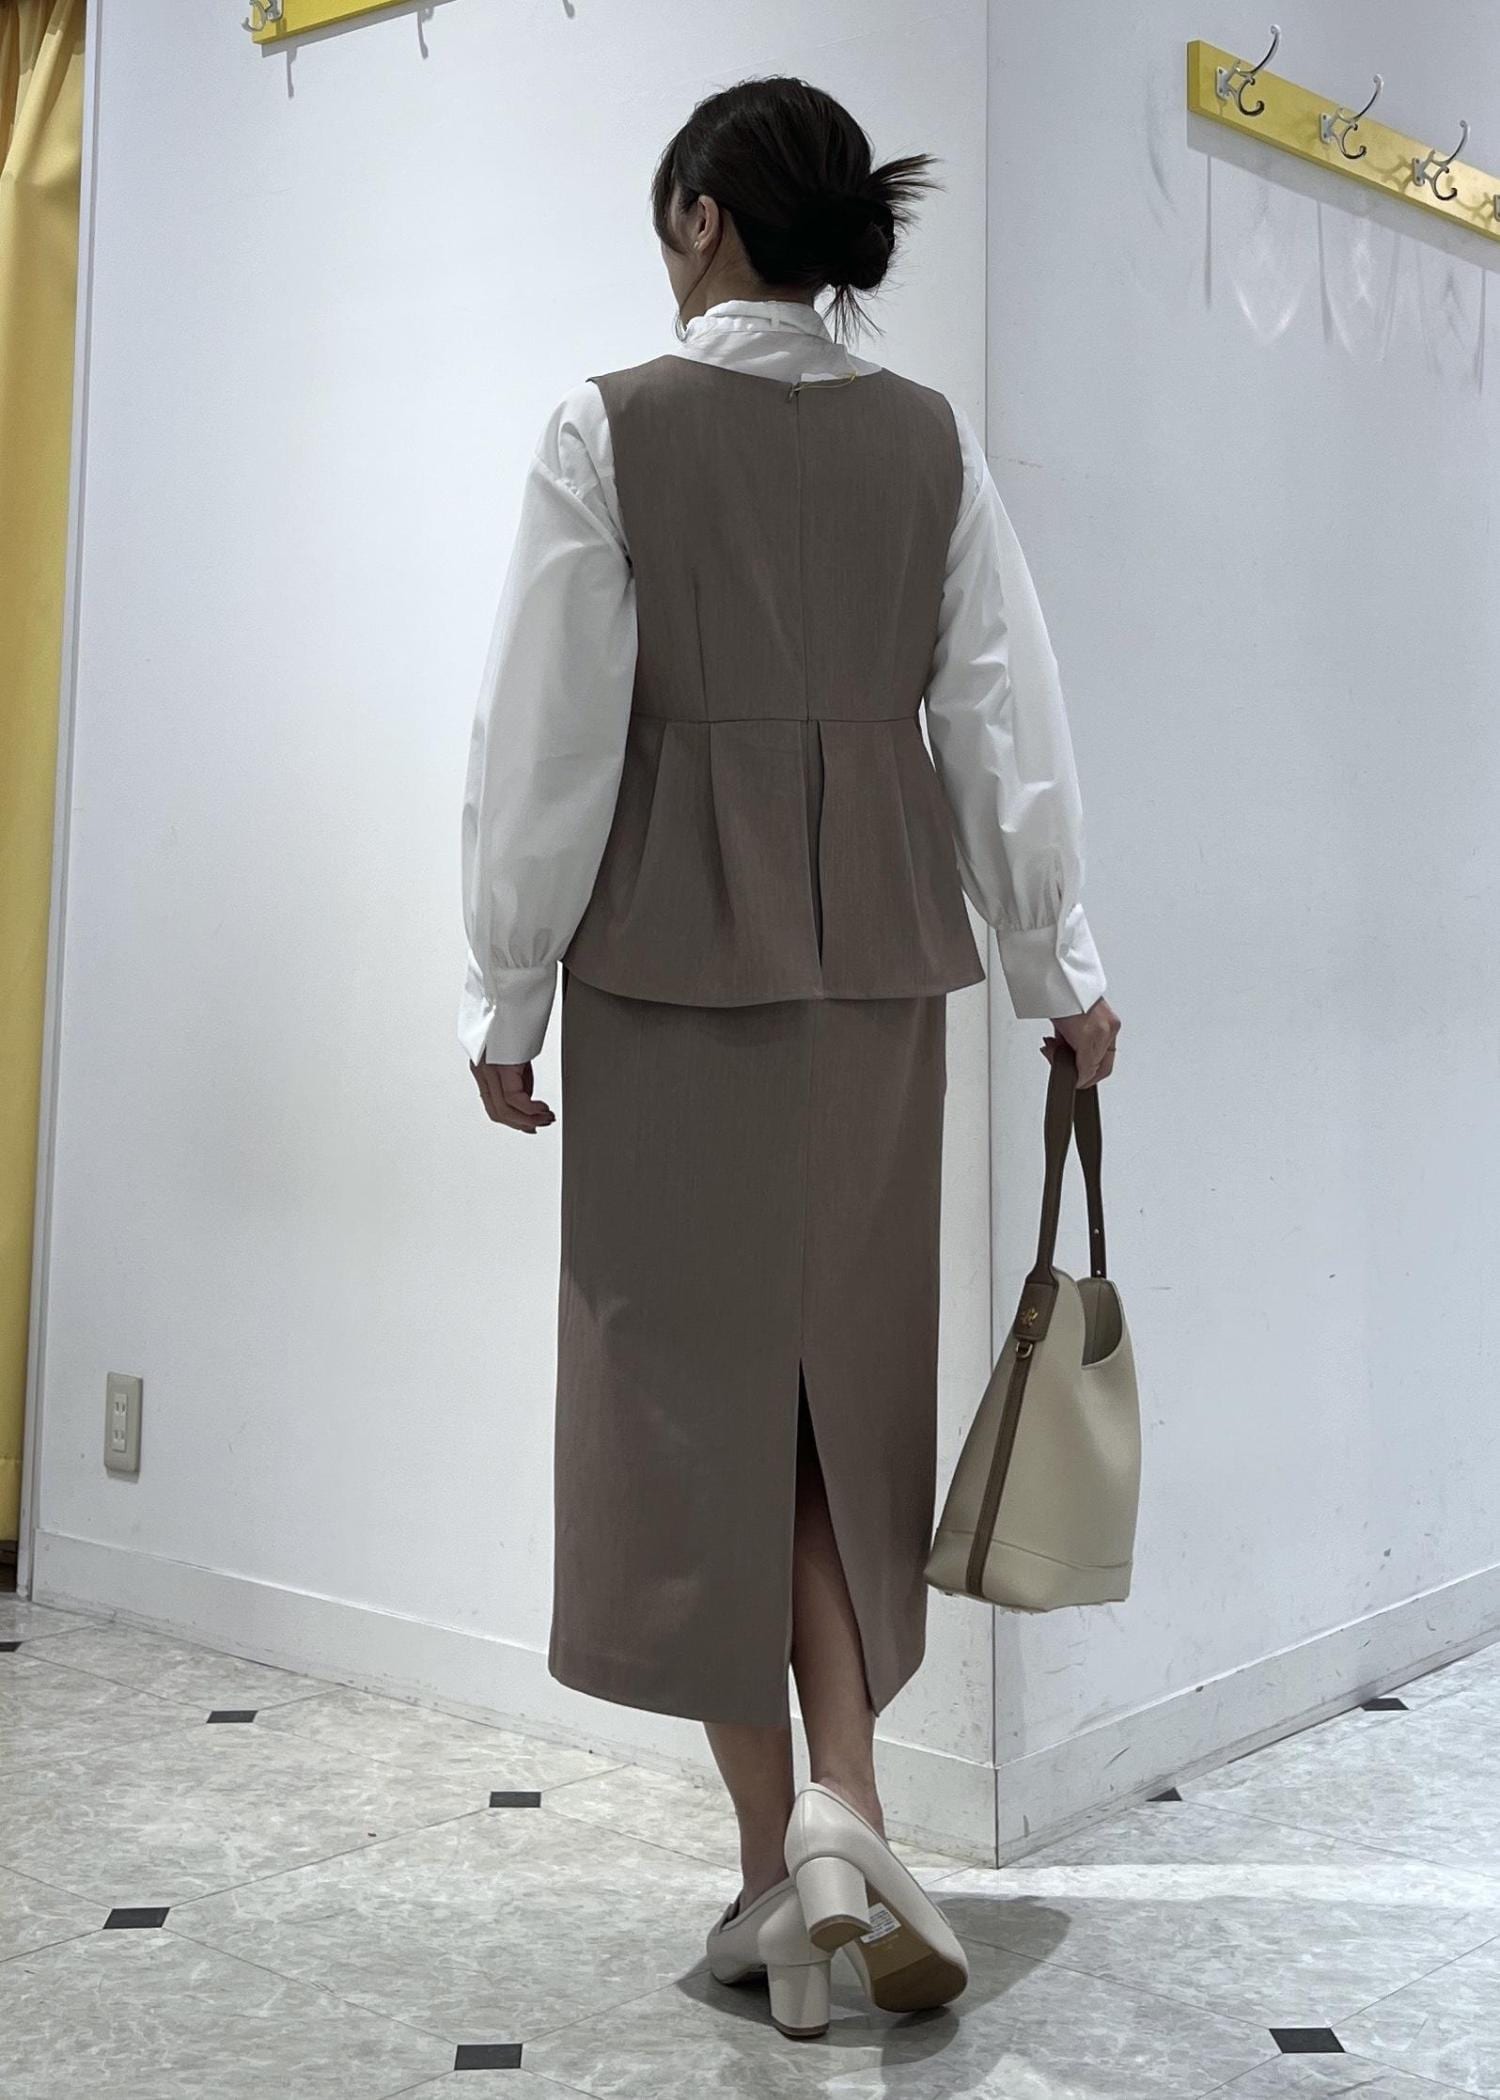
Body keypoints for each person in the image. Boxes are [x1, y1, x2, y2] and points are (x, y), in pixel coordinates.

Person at [458, 75, 1120, 2042]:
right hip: (877, 983)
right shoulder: (929, 443)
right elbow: (1002, 721)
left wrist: (505, 992)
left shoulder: (608, 427)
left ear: (701, 217)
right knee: (838, 1395)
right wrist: (1059, 966)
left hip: (671, 974)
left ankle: (780, 1865)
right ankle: (844, 1814)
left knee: (691, 1412)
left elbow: (547, 739)